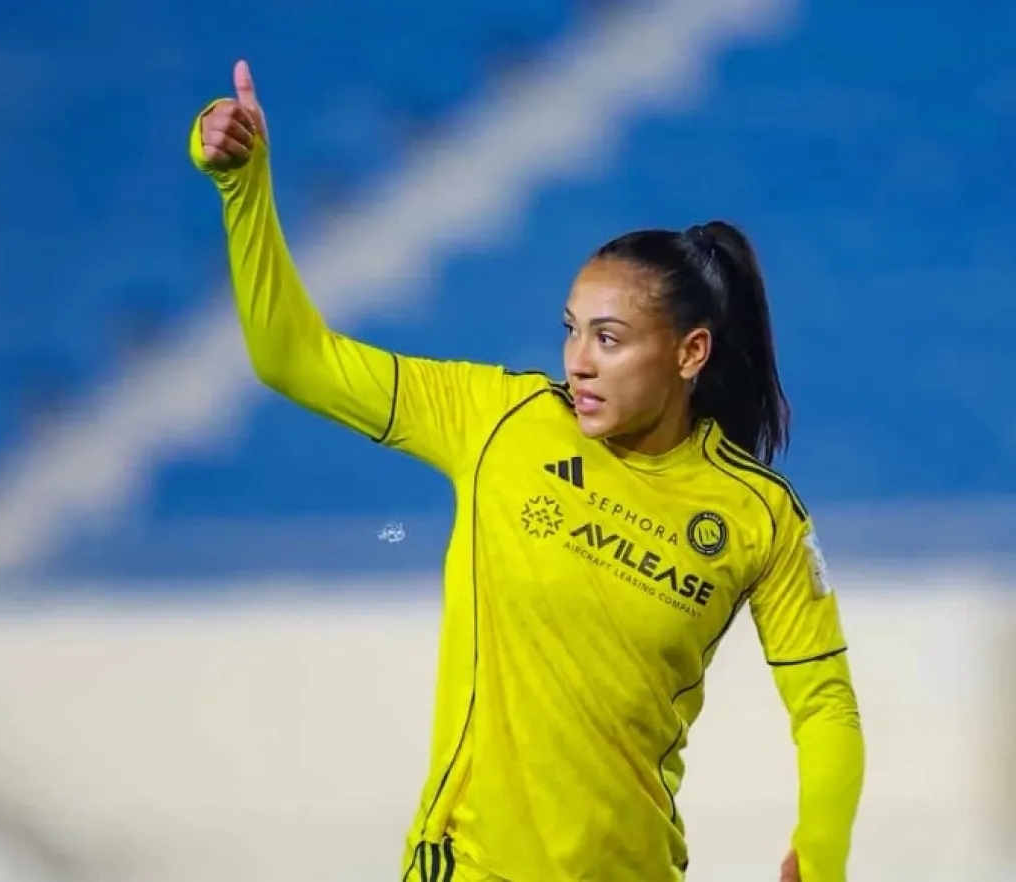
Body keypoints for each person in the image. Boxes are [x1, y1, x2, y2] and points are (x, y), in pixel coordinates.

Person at [191, 60, 865, 882]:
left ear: (690, 353)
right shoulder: (497, 419)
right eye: (571, 330)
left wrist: (821, 855)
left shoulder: (759, 516)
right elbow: (293, 358)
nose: (578, 361)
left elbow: (825, 706)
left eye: (609, 339)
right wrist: (244, 188)